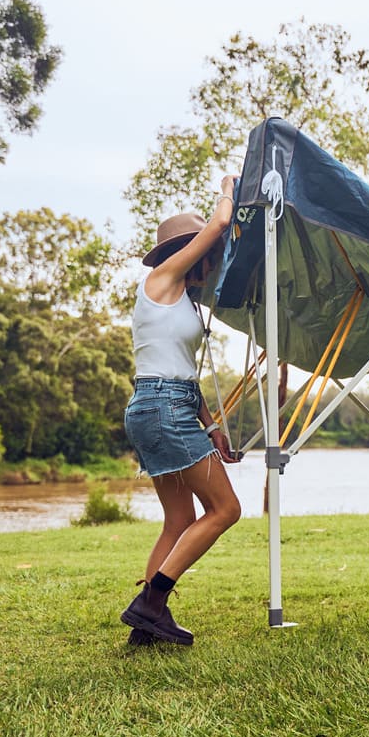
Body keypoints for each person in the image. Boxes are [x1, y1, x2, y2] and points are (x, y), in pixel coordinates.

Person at [120, 175, 243, 646]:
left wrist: (210, 425)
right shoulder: (161, 278)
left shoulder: (182, 301)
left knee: (178, 520)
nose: (209, 262)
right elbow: (218, 224)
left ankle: (147, 630)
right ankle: (151, 603)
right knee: (226, 508)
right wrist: (229, 187)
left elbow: (181, 371)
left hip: (161, 406)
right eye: (203, 251)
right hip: (163, 408)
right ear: (188, 250)